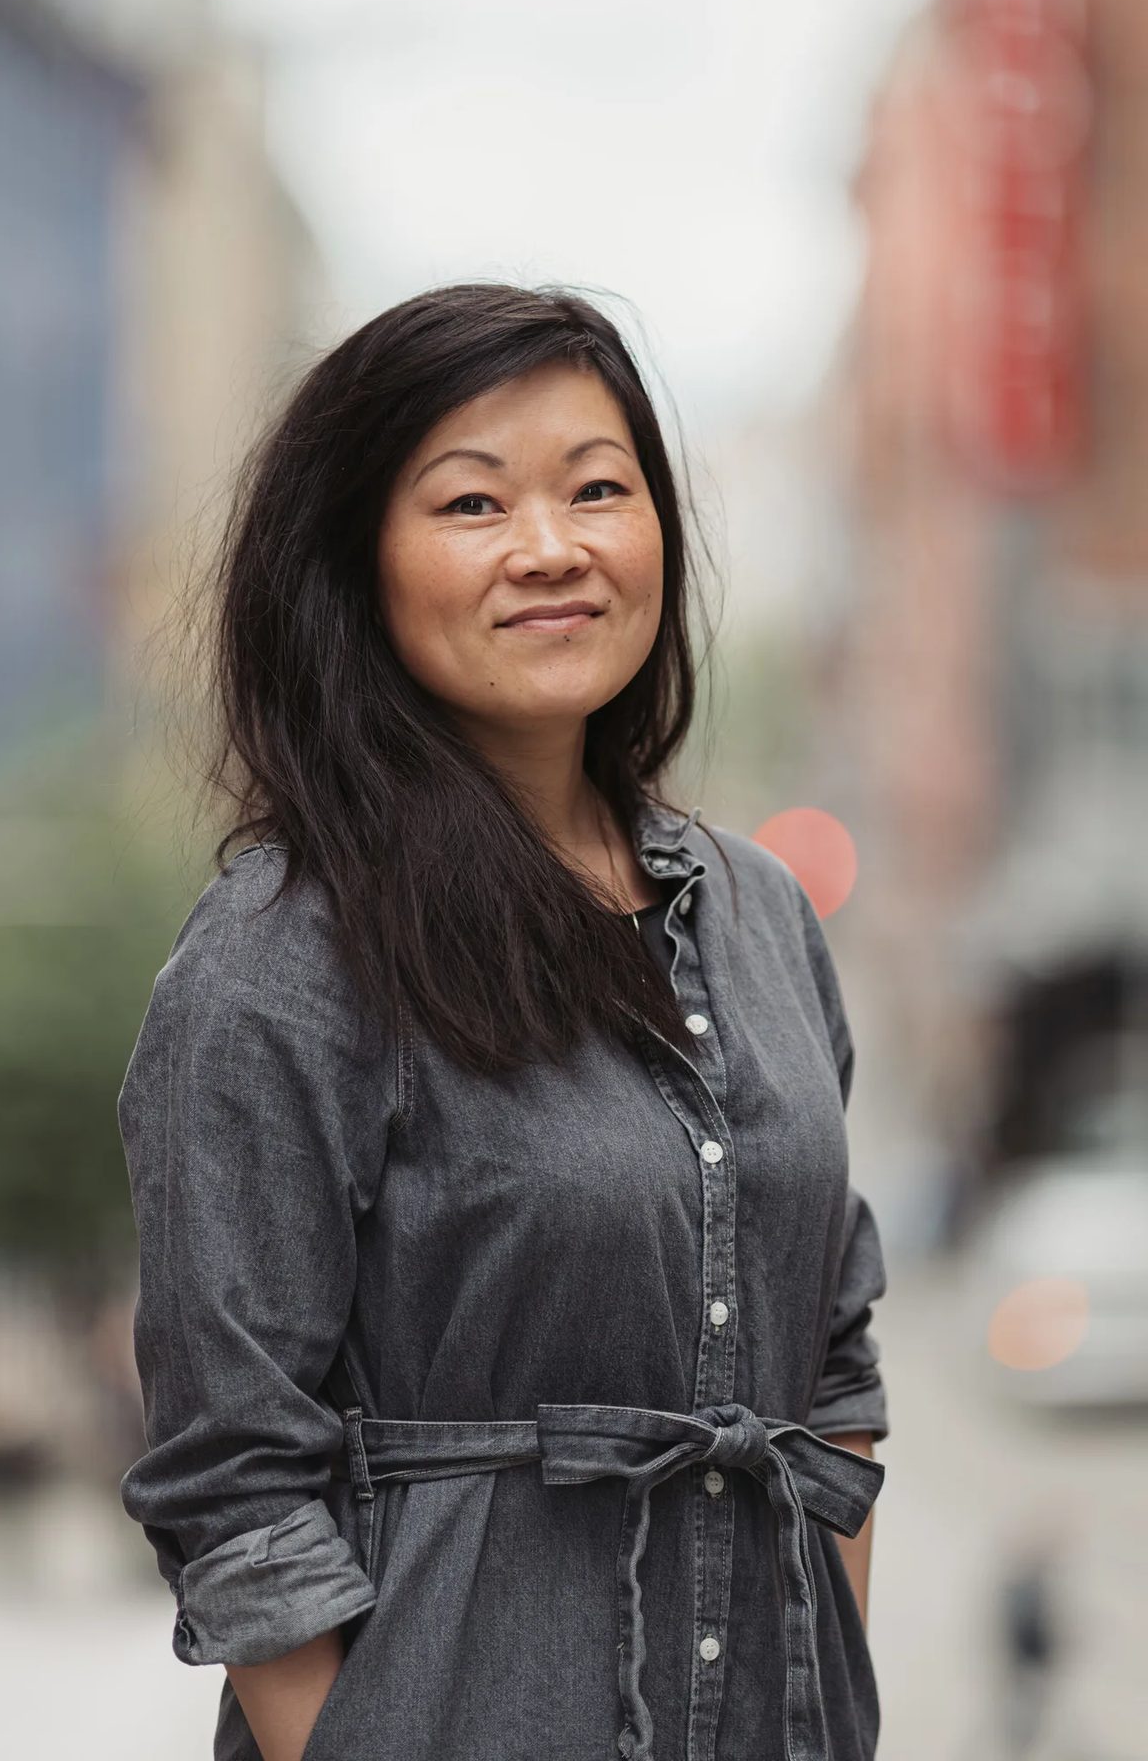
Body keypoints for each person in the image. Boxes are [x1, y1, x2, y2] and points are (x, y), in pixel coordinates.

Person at [116, 281, 891, 1761]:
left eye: (599, 489)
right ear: (359, 567)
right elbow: (232, 1477)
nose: (553, 549)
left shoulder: (764, 914)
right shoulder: (287, 953)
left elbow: (834, 1378)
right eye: (472, 505)